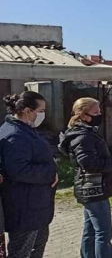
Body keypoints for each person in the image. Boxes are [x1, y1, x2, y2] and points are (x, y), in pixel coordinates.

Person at [58, 97, 112, 258]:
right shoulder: (82, 136)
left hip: (92, 188)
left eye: (99, 111)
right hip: (93, 189)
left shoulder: (85, 133)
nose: (99, 114)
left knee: (90, 231)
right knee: (103, 233)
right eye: (95, 112)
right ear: (82, 114)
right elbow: (89, 163)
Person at [0, 91, 58, 258]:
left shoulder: (25, 130)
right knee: (21, 253)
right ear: (27, 111)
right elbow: (19, 171)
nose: (43, 115)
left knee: (35, 249)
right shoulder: (14, 135)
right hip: (24, 209)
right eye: (40, 110)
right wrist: (49, 173)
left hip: (36, 206)